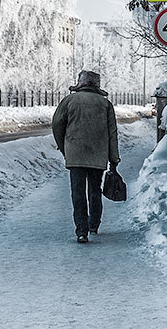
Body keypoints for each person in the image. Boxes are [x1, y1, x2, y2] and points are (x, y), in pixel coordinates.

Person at [52, 70, 120, 244]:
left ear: (80, 84)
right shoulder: (105, 105)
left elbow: (57, 125)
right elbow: (112, 133)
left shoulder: (69, 101)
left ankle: (81, 231)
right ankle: (94, 224)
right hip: (98, 154)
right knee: (95, 190)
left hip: (75, 153)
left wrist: (64, 146)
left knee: (78, 192)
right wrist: (114, 158)